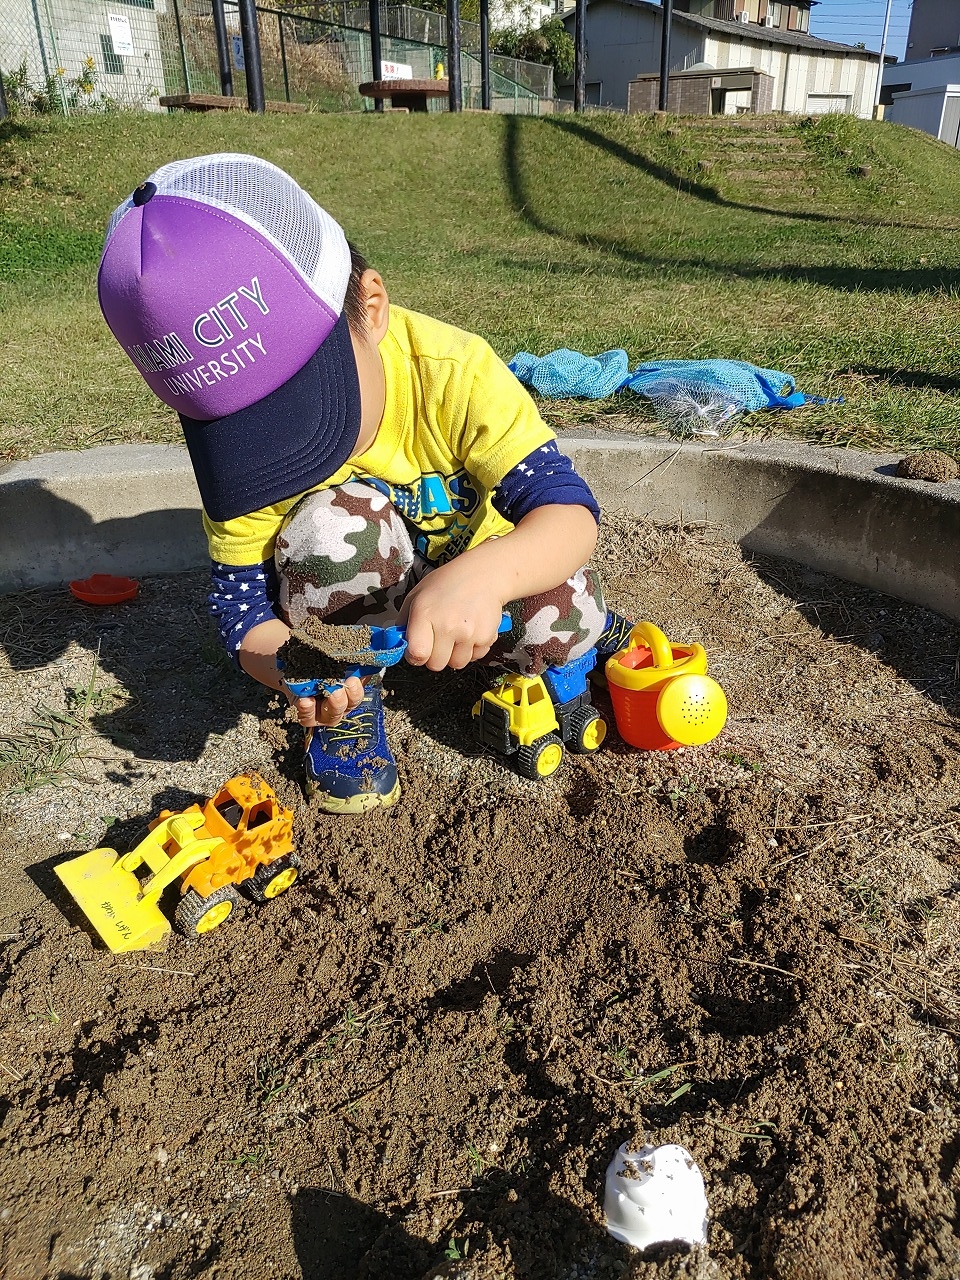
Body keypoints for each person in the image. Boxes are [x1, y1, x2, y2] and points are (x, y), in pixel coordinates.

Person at [97, 152, 633, 814]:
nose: (287, 448)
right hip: (359, 617)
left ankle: (580, 644)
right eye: (249, 428)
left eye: (302, 400)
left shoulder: (452, 373)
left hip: (480, 587)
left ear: (370, 307)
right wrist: (294, 665)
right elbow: (240, 614)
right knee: (331, 525)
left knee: (565, 620)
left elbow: (567, 513)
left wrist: (484, 578)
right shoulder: (238, 472)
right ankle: (357, 704)